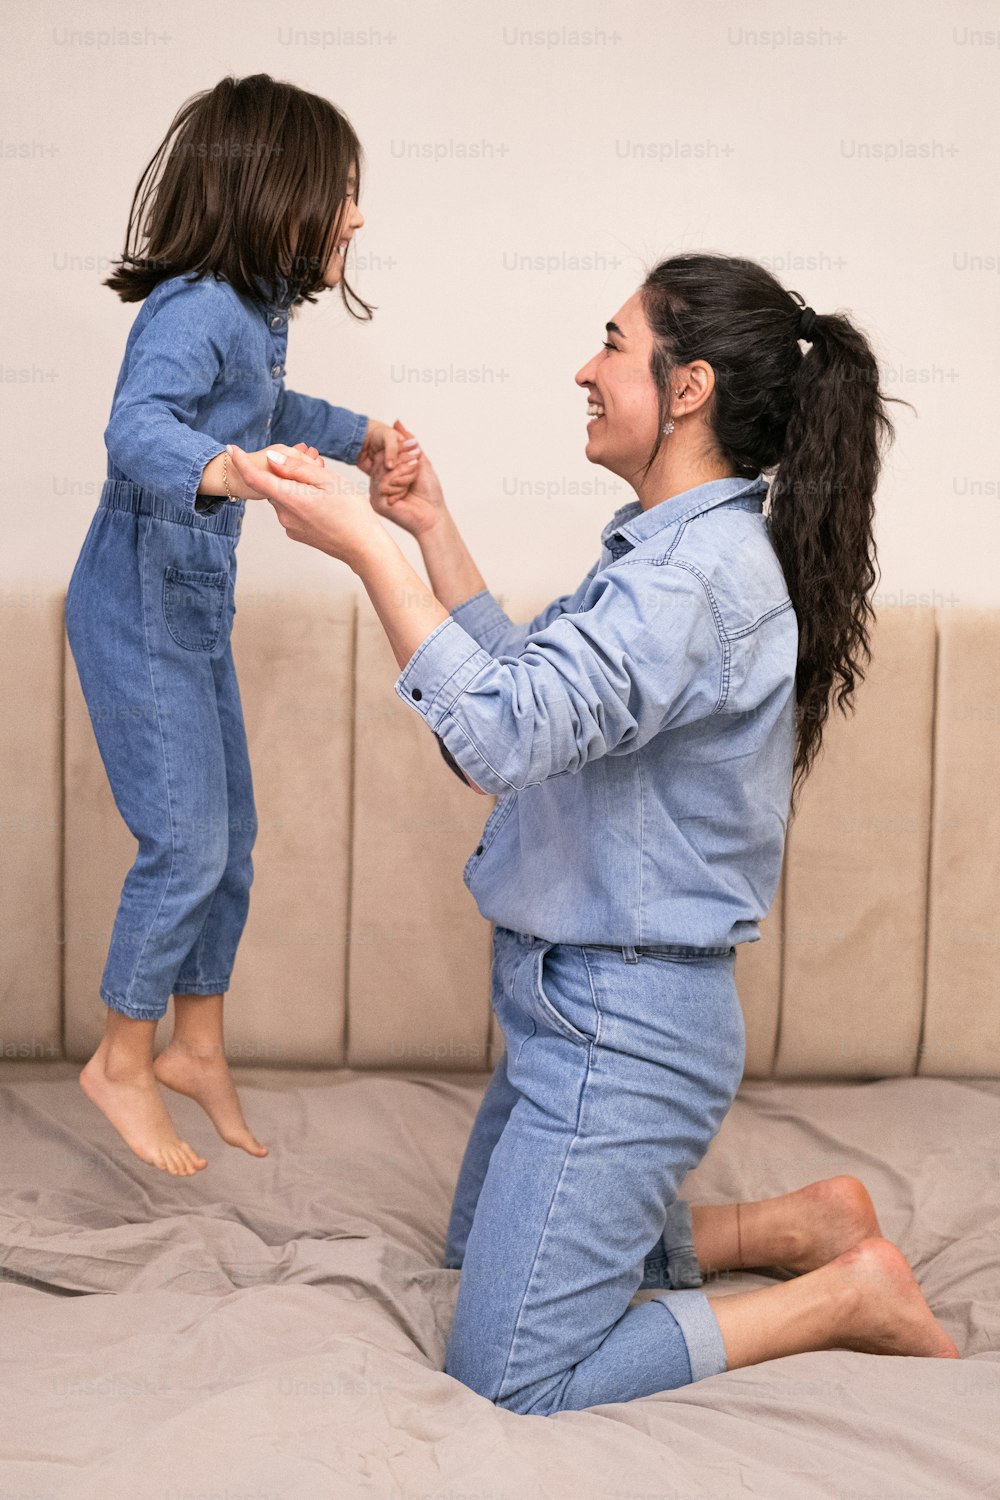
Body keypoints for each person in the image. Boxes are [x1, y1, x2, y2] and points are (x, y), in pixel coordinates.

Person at [228, 251, 959, 1413]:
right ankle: (798, 1221)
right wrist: (428, 529)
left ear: (687, 389)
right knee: (479, 1267)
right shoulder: (665, 552)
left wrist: (362, 550)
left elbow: (504, 738)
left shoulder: (693, 581)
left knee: (510, 1372)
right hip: (566, 998)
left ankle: (844, 1293)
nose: (585, 367)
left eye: (612, 344)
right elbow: (539, 691)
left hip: (625, 1026)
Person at [64, 74, 418, 1176]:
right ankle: (121, 1056)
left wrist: (361, 435)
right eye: (343, 192)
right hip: (133, 609)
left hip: (189, 609)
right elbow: (135, 428)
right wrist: (218, 466)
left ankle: (195, 1046)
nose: (357, 217)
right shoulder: (195, 308)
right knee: (186, 844)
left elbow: (265, 413)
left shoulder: (253, 319)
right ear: (277, 193)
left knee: (235, 843)